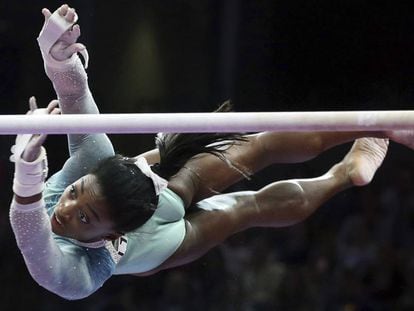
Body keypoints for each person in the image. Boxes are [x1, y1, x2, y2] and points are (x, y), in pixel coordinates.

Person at [9, 4, 406, 300]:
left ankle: (364, 143)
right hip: (161, 241)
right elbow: (34, 243)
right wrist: (27, 173)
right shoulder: (76, 271)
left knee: (256, 166)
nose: (64, 208)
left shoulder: (92, 161)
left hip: (154, 200)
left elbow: (76, 100)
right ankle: (349, 162)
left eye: (74, 191)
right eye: (83, 217)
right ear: (112, 234)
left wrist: (58, 59)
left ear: (92, 172)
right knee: (250, 203)